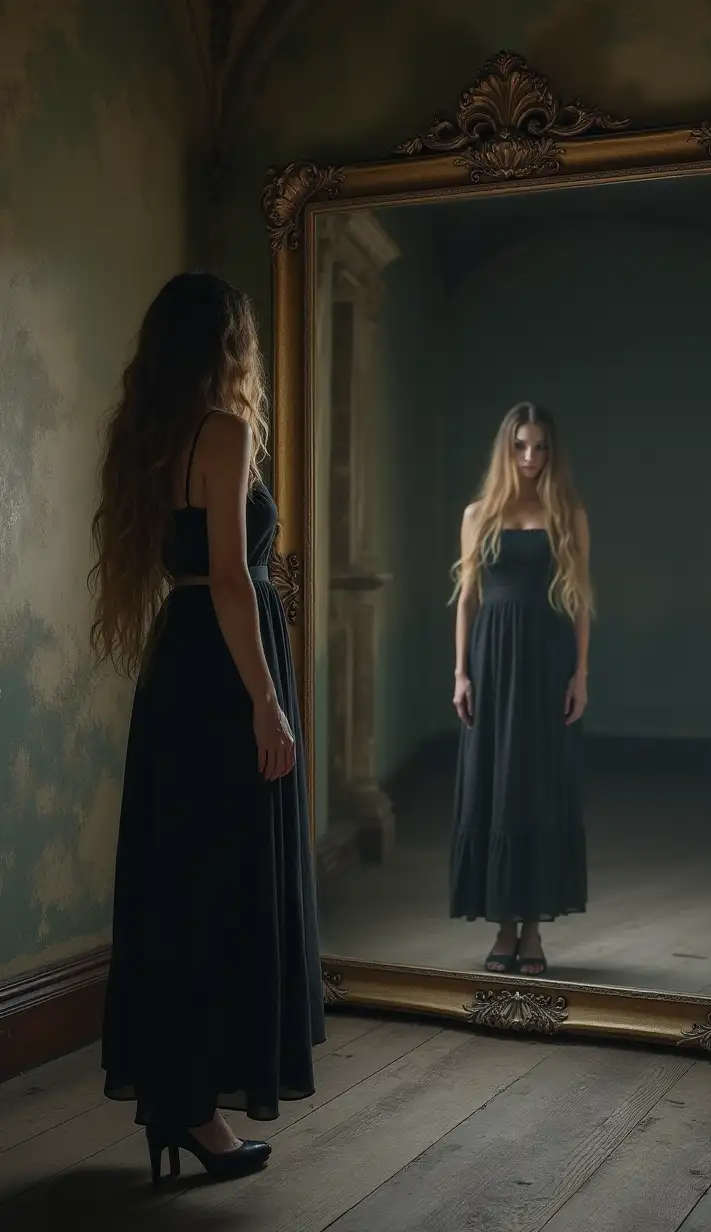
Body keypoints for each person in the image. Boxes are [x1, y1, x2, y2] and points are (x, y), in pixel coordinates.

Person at [88, 272, 326, 1185]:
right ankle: (192, 1111)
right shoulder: (221, 432)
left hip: (178, 667)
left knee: (179, 878)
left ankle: (176, 1102)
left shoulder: (149, 437)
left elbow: (197, 578)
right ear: (225, 346)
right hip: (225, 671)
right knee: (222, 877)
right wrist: (266, 699)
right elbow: (232, 577)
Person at [449, 401, 591, 977]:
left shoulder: (568, 514)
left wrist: (581, 673)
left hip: (546, 661)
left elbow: (580, 600)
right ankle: (503, 926)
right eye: (521, 446)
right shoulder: (478, 513)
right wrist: (460, 672)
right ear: (506, 450)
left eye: (541, 448)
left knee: (536, 781)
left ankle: (531, 932)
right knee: (494, 782)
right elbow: (468, 599)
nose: (531, 458)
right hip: (491, 660)